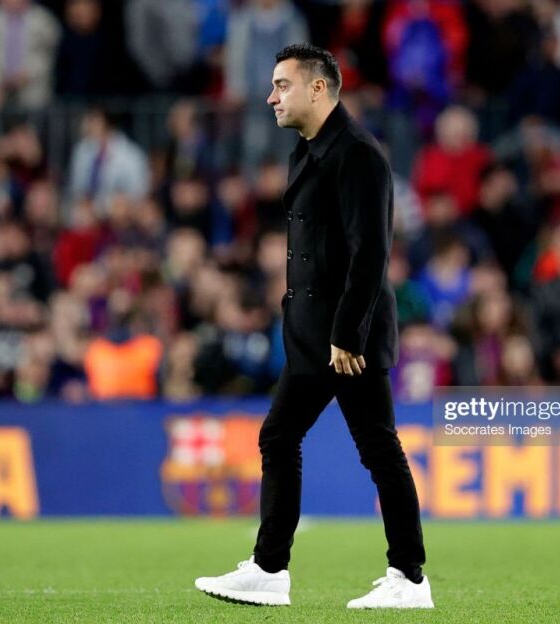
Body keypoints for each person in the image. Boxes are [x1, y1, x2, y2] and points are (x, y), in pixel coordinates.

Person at [194, 43, 432, 610]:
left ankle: (407, 578)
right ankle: (272, 569)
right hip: (312, 335)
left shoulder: (357, 154)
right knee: (287, 438)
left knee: (373, 448)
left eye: (282, 85)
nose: (271, 97)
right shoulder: (310, 150)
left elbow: (370, 253)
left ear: (318, 88)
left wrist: (348, 333)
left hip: (345, 339)